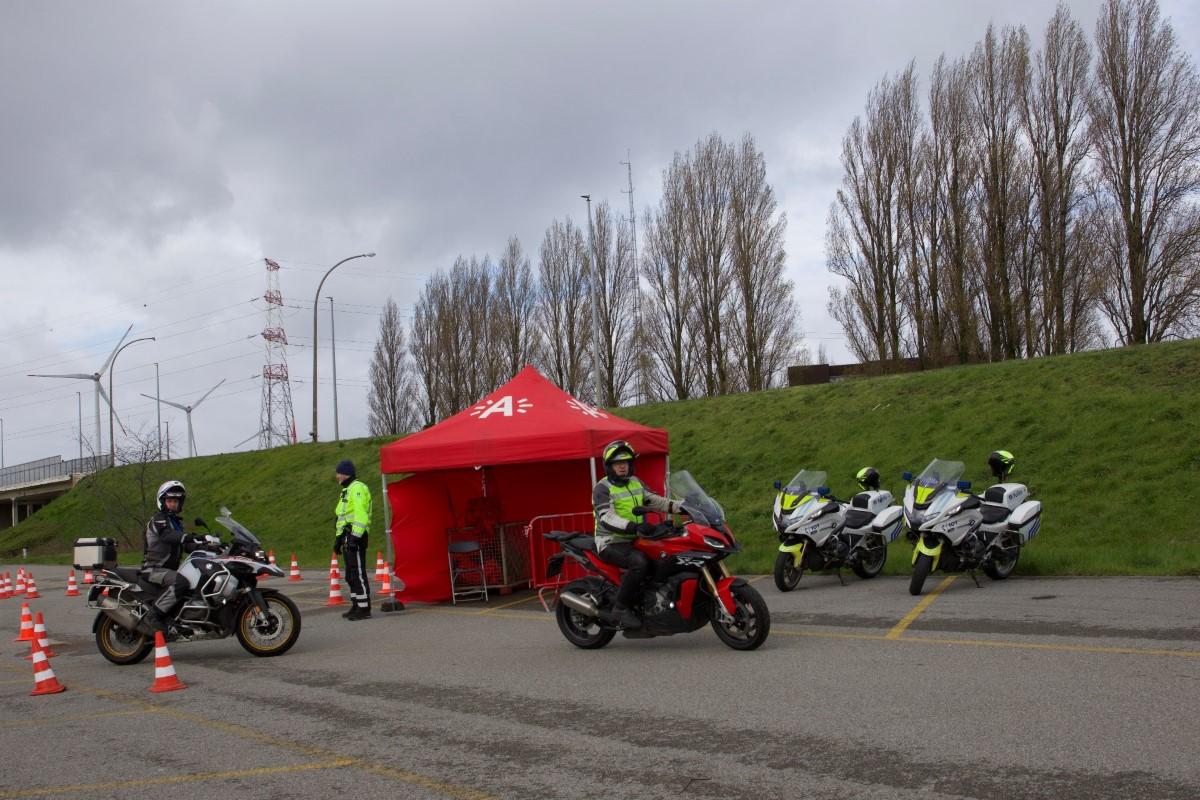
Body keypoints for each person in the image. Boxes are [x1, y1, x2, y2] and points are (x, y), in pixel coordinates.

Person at [591, 440, 685, 630]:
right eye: (618, 463)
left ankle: (653, 600)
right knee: (639, 562)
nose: (622, 466)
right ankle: (620, 608)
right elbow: (606, 517)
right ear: (609, 466)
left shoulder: (635, 482)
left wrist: (684, 507)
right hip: (610, 541)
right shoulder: (602, 488)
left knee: (665, 555)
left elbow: (655, 501)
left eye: (626, 462)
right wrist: (634, 527)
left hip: (635, 538)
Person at [140, 480, 204, 633]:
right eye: (169, 501)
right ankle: (153, 615)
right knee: (180, 582)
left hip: (168, 570)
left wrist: (204, 545)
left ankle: (182, 621)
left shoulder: (175, 523)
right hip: (154, 569)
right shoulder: (159, 519)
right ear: (162, 502)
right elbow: (167, 536)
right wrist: (189, 537)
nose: (173, 504)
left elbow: (184, 544)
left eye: (175, 501)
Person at [334, 459, 373, 621]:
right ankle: (356, 604)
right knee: (350, 575)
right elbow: (341, 518)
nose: (337, 476)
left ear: (345, 474)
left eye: (338, 473)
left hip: (356, 537)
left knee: (357, 573)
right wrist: (338, 540)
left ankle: (364, 608)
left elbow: (360, 515)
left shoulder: (357, 488)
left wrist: (355, 538)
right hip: (348, 536)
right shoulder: (347, 490)